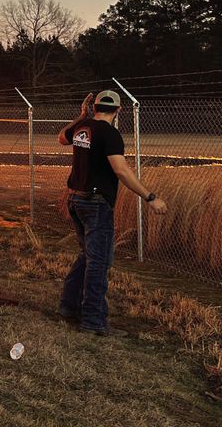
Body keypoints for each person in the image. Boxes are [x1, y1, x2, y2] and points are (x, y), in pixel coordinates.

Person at [57, 90, 167, 336]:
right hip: (96, 203)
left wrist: (80, 117)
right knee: (99, 262)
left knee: (87, 255)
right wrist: (150, 197)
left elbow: (61, 138)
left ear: (94, 107)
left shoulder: (82, 127)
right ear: (118, 110)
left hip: (75, 198)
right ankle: (93, 321)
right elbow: (121, 171)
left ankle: (69, 307)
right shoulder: (111, 134)